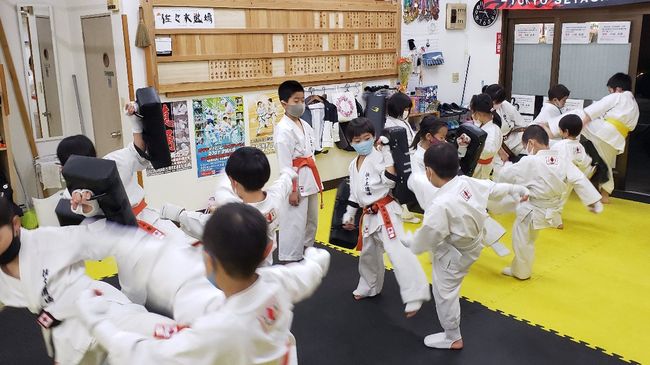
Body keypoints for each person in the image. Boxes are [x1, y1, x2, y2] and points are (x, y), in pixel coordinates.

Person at [75, 203, 331, 365]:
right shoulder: (275, 282)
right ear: (266, 252)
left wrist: (97, 323)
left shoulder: (219, 331)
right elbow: (306, 275)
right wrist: (318, 258)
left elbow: (150, 355)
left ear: (208, 259)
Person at [0, 197, 178, 365]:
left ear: (15, 224)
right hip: (67, 336)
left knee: (167, 337)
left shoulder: (46, 241)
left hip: (102, 309)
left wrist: (96, 206)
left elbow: (98, 237)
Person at [403, 143, 529, 350]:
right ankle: (452, 335)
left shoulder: (440, 205)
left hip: (454, 254)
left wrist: (411, 243)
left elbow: (427, 238)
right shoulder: (465, 182)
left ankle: (452, 337)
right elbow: (493, 188)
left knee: (445, 294)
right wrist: (516, 189)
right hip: (473, 243)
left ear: (429, 172)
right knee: (448, 289)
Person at [342, 118, 431, 316]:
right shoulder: (353, 164)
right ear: (350, 142)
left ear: (374, 138)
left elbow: (391, 180)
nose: (363, 142)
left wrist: (387, 153)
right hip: (368, 214)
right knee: (368, 254)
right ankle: (369, 286)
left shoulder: (380, 156)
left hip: (385, 212)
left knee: (398, 253)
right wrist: (349, 214)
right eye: (357, 140)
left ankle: (415, 294)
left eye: (367, 138)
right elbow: (354, 193)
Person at [56, 103, 183, 241]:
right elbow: (87, 210)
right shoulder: (71, 192)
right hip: (113, 235)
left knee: (179, 249)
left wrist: (135, 119)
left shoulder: (113, 162)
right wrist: (85, 202)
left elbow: (138, 151)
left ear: (64, 166)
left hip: (142, 221)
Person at [497, 125, 603, 280]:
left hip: (531, 209)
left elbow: (506, 176)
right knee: (528, 240)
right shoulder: (562, 159)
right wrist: (593, 201)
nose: (525, 149)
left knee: (521, 241)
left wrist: (505, 164)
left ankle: (521, 272)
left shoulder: (530, 161)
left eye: (525, 145)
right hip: (550, 210)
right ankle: (518, 268)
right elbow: (579, 179)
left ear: (531, 143)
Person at [161, 147, 298, 266]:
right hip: (265, 268)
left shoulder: (236, 218)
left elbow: (203, 224)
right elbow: (284, 181)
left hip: (238, 275)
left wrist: (178, 214)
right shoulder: (275, 199)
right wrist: (288, 172)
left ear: (235, 183)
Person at [407, 117, 511, 257]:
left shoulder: (439, 147)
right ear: (429, 137)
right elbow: (422, 184)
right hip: (434, 195)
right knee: (455, 217)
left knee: (475, 206)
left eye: (445, 137)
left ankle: (490, 239)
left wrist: (460, 146)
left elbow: (455, 161)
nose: (444, 140)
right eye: (442, 137)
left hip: (450, 186)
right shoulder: (417, 158)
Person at [273, 80, 323, 262]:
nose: (301, 104)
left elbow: (311, 153)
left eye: (302, 99)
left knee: (311, 222)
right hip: (295, 183)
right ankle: (291, 259)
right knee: (294, 223)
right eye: (296, 100)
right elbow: (285, 166)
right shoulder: (283, 131)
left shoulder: (305, 125)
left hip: (310, 180)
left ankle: (306, 253)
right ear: (284, 103)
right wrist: (292, 190)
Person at [580, 73, 640, 203]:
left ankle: (549, 129)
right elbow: (632, 126)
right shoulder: (634, 104)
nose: (610, 93)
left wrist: (583, 121)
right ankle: (605, 195)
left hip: (604, 131)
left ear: (617, 89)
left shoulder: (618, 96)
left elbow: (597, 108)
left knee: (575, 116)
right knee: (605, 164)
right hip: (618, 138)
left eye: (610, 90)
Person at [384, 92, 420, 223]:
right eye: (405, 109)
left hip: (410, 155)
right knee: (403, 185)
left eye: (408, 109)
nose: (407, 112)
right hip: (401, 159)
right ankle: (404, 211)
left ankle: (408, 208)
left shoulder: (402, 121)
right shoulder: (390, 124)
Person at [484, 84, 528, 162]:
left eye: (496, 103)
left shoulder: (506, 106)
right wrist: (501, 152)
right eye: (491, 103)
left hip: (513, 143)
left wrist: (512, 130)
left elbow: (522, 125)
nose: (492, 106)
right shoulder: (482, 109)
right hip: (493, 146)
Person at [470, 94, 502, 180]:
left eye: (473, 112)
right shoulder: (483, 126)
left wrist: (470, 145)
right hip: (477, 167)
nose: (472, 115)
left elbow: (486, 153)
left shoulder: (492, 131)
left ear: (478, 113)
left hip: (483, 171)